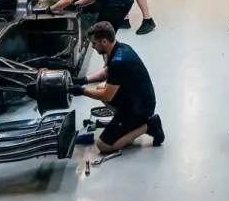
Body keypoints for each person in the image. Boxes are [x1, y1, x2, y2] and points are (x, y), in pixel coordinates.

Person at [65, 21, 163, 152]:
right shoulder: (120, 48)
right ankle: (126, 125)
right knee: (100, 87)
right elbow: (106, 72)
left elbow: (107, 95)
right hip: (138, 98)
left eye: (94, 43)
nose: (93, 46)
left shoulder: (118, 62)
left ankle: (149, 126)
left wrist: (82, 91)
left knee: (103, 145)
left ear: (104, 41)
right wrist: (82, 80)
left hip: (140, 109)